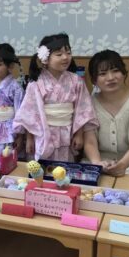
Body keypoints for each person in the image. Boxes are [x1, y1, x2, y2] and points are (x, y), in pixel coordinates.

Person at [12, 33, 98, 161]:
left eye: (68, 53)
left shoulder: (76, 81)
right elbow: (30, 113)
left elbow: (82, 110)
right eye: (59, 54)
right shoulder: (36, 82)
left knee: (64, 169)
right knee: (41, 168)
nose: (65, 57)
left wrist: (79, 134)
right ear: (45, 59)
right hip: (42, 134)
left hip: (67, 133)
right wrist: (29, 138)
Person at [83, 50, 129, 176]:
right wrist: (97, 164)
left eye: (116, 70)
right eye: (102, 74)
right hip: (96, 163)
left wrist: (121, 166)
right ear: (94, 80)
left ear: (124, 73)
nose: (110, 78)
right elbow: (90, 142)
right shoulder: (88, 103)